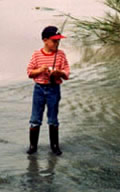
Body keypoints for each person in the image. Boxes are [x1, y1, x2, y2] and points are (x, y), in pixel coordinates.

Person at [27, 26, 70, 155]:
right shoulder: (36, 54)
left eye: (58, 41)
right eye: (54, 41)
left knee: (53, 118)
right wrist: (40, 70)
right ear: (45, 40)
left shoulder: (61, 54)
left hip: (54, 89)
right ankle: (33, 146)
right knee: (35, 119)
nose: (57, 44)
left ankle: (55, 146)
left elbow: (67, 73)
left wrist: (59, 73)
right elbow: (29, 72)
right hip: (39, 89)